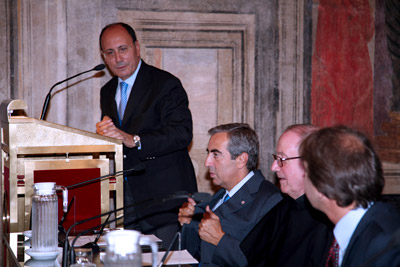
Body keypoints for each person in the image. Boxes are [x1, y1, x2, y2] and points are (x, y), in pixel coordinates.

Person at [95, 22, 197, 247]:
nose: (118, 58)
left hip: (165, 198)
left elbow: (182, 133)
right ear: (103, 56)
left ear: (137, 48)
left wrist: (134, 140)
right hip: (128, 199)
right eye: (110, 53)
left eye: (123, 49)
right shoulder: (107, 91)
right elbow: (117, 138)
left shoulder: (165, 84)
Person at [179, 123, 284, 266]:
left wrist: (220, 239)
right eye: (208, 153)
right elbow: (196, 255)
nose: (207, 162)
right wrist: (189, 222)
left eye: (215, 154)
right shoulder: (219, 196)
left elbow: (264, 261)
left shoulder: (270, 199)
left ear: (241, 159)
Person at [301, 125, 400, 267]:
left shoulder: (386, 247)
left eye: (306, 171)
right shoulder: (349, 231)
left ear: (321, 187)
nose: (303, 177)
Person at [240, 124, 333, 266]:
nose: (274, 167)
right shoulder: (281, 210)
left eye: (282, 159)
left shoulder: (330, 219)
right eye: (275, 158)